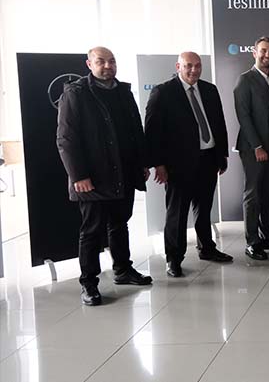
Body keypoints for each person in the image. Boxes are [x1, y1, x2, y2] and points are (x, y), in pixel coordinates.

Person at [56, 47, 152, 306]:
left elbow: (136, 129)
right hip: (92, 178)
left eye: (112, 61)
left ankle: (123, 270)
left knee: (120, 224)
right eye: (101, 61)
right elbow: (66, 139)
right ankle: (89, 283)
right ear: (89, 64)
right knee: (91, 231)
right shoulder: (75, 93)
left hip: (124, 172)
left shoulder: (123, 91)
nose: (108, 66)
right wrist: (78, 175)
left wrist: (142, 163)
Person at [145, 52, 232, 278]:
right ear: (178, 66)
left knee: (204, 209)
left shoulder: (209, 90)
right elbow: (152, 131)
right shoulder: (163, 92)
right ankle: (174, 259)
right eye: (188, 66)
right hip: (178, 164)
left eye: (198, 66)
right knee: (177, 213)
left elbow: (219, 123)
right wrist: (158, 164)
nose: (194, 70)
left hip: (208, 159)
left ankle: (207, 248)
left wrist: (222, 155)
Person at [234, 36, 269, 261]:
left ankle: (267, 236)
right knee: (253, 195)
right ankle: (252, 242)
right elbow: (244, 117)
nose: (267, 55)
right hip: (253, 148)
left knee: (266, 194)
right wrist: (257, 146)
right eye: (263, 51)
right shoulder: (245, 80)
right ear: (254, 52)